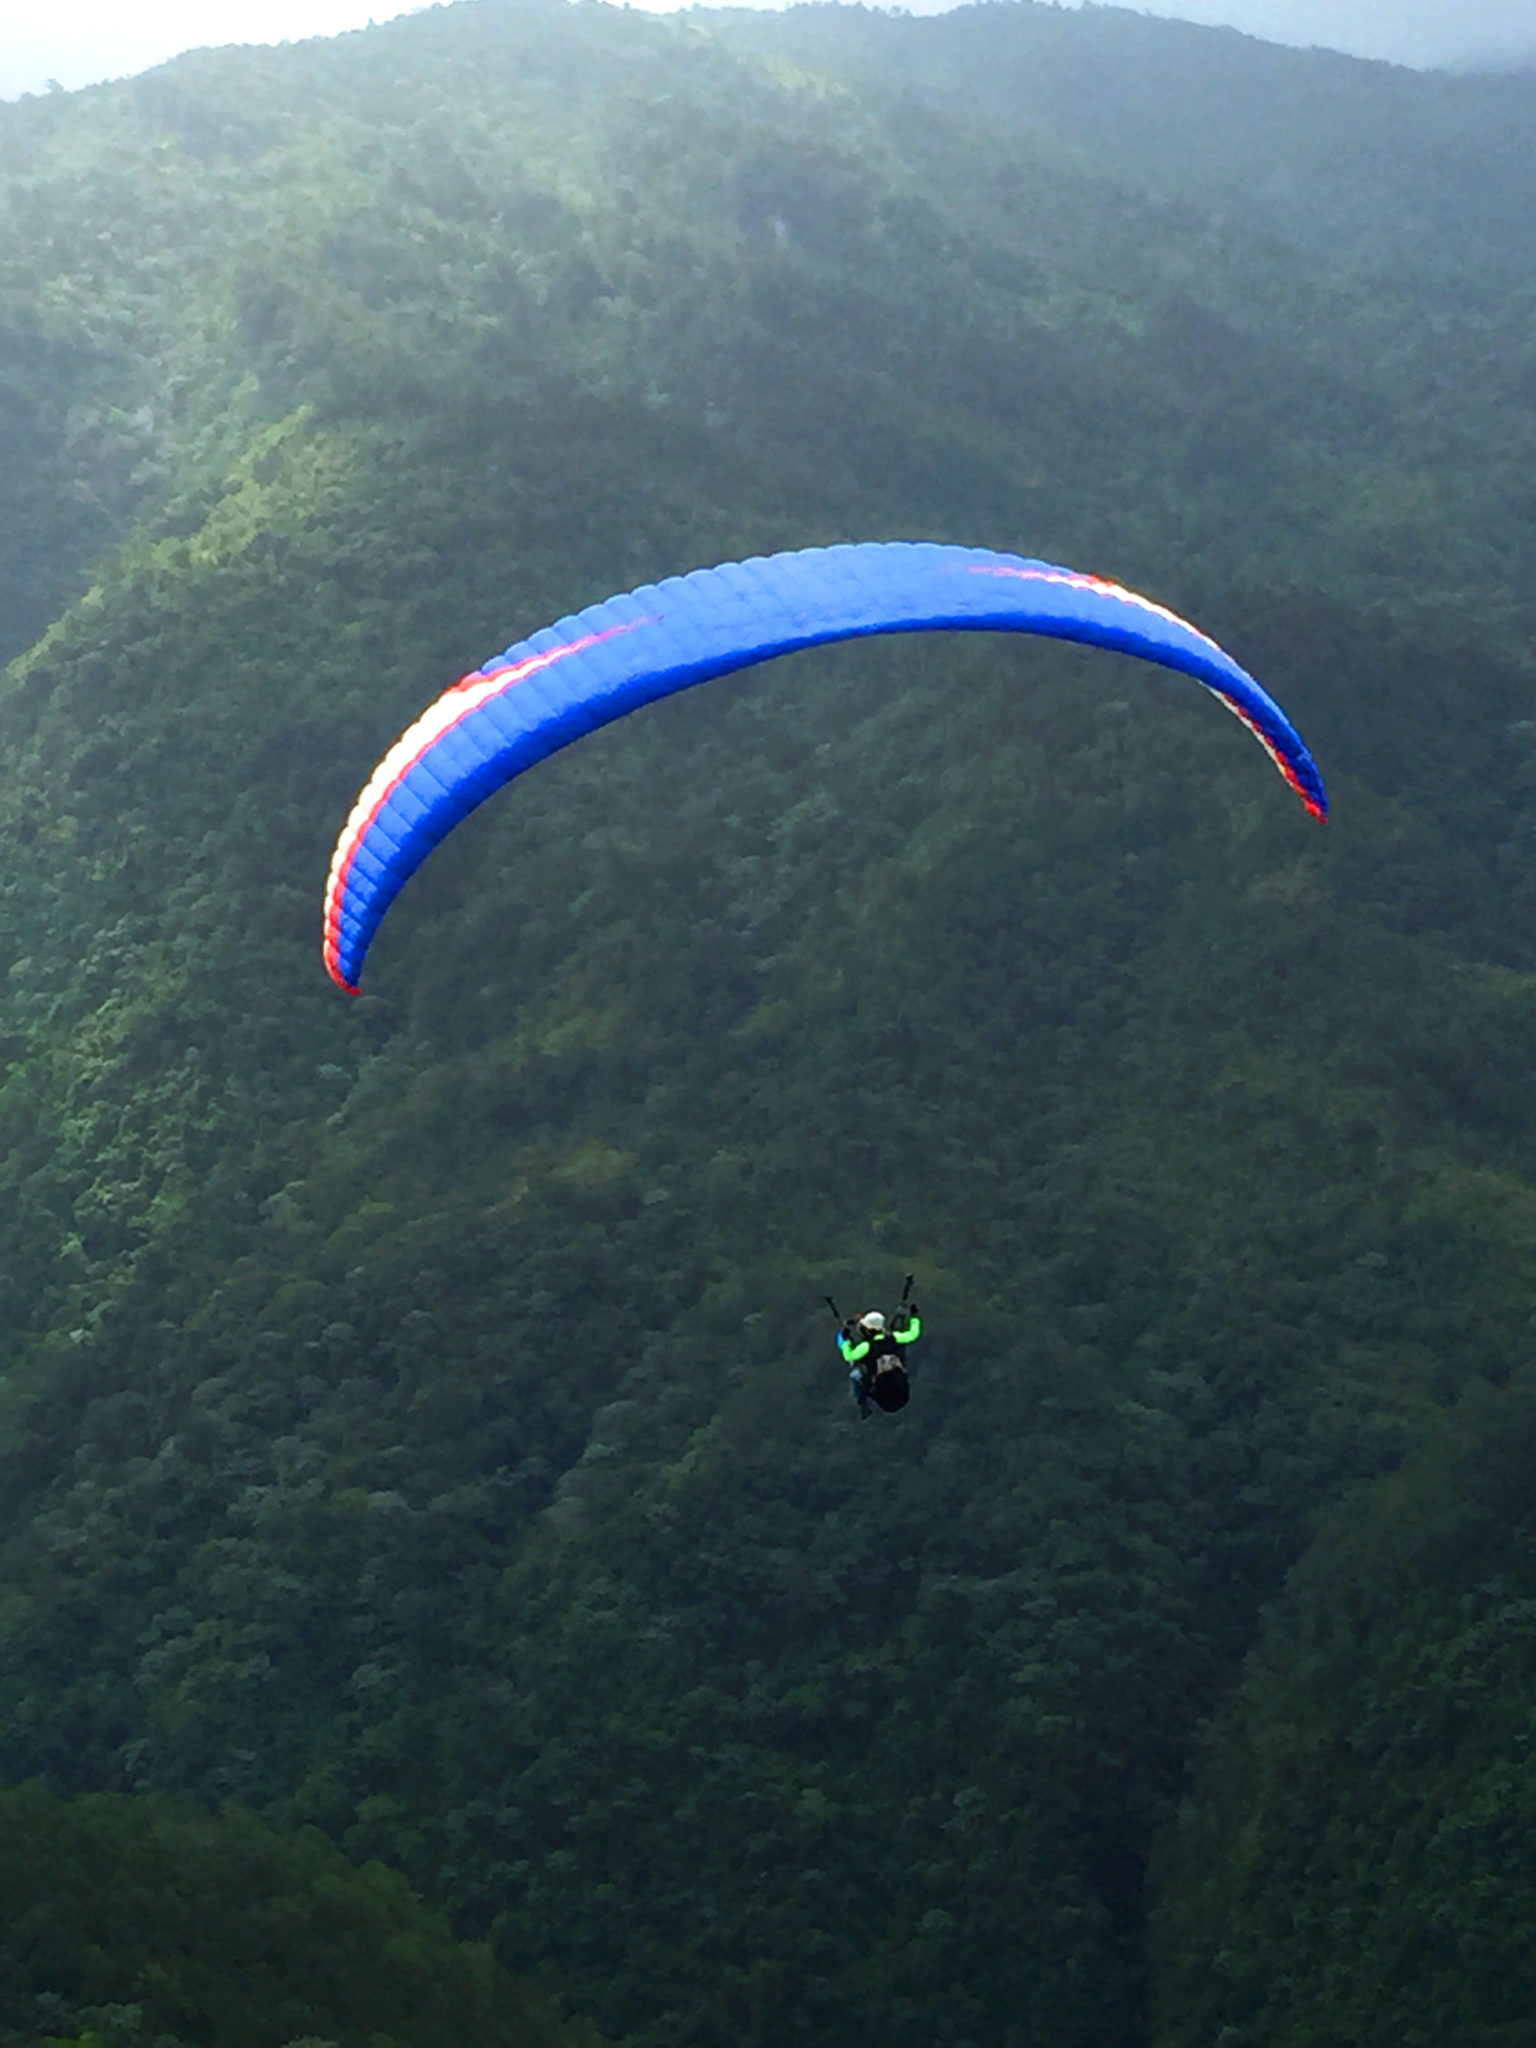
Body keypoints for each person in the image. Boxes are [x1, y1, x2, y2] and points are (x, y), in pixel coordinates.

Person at [839, 1298, 922, 1417]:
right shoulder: (894, 1338)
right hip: (903, 1393)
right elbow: (913, 1334)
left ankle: (862, 1403)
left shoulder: (866, 1346)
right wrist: (915, 1318)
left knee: (855, 1375)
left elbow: (849, 1356)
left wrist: (845, 1342)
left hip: (883, 1397)